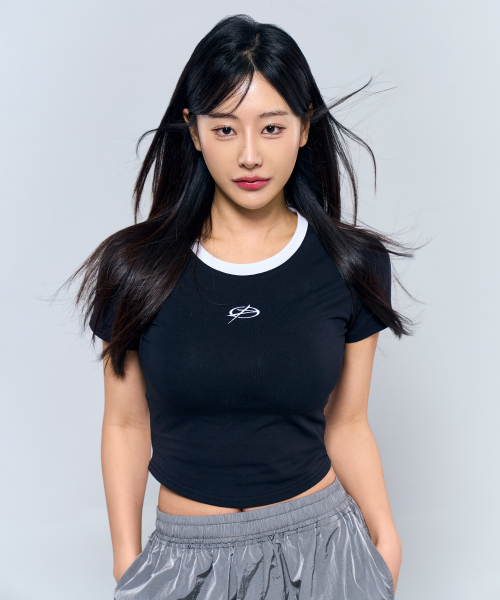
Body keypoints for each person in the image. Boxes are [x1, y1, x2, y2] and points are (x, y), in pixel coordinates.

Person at [74, 13, 414, 600]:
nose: (250, 155)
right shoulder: (135, 268)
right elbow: (126, 423)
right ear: (194, 130)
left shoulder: (352, 264)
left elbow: (349, 422)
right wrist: (127, 562)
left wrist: (385, 544)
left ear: (304, 127)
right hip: (184, 559)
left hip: (326, 555)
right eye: (226, 129)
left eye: (272, 127)